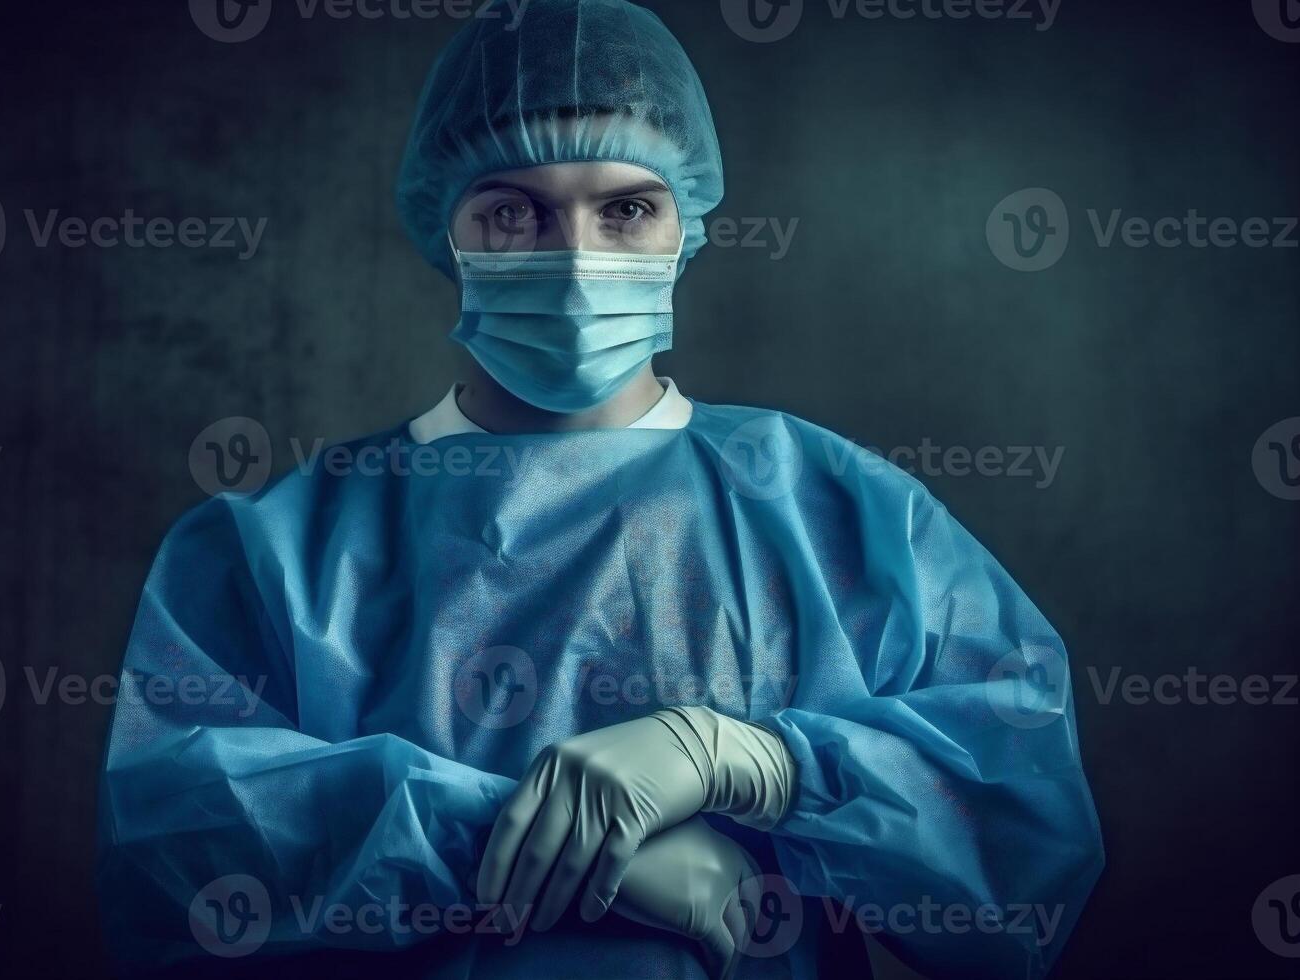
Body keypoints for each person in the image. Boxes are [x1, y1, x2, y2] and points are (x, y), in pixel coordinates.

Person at [96, 1, 1104, 978]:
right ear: (444, 228)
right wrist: (569, 847)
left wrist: (756, 761)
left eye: (626, 208)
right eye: (513, 210)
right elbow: (183, 857)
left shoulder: (835, 509)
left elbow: (1020, 841)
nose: (575, 255)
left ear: (685, 225)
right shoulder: (278, 551)